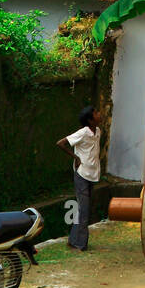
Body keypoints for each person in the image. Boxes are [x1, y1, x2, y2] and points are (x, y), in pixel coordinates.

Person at [57, 105, 102, 251]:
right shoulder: (82, 133)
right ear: (90, 120)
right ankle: (80, 244)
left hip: (92, 174)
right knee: (84, 209)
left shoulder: (98, 132)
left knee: (83, 209)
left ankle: (73, 240)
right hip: (82, 174)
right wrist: (75, 157)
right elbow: (61, 143)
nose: (99, 114)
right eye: (96, 113)